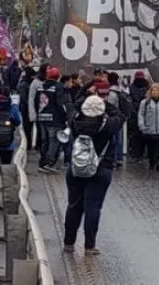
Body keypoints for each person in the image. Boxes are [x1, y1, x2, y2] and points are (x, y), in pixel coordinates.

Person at [62, 92, 126, 255]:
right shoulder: (109, 125)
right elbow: (121, 113)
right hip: (101, 168)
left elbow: (71, 104)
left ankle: (69, 243)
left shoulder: (75, 121)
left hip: (76, 168)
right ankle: (89, 246)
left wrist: (86, 96)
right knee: (93, 207)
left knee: (74, 206)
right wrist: (104, 102)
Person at [35, 67, 71, 173]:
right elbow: (61, 105)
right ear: (58, 76)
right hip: (54, 119)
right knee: (54, 141)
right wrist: (65, 117)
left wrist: (38, 113)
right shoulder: (58, 87)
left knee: (45, 141)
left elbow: (35, 101)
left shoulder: (41, 86)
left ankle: (42, 163)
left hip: (42, 117)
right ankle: (49, 163)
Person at [137, 82, 159, 171]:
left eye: (157, 90)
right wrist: (141, 125)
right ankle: (152, 162)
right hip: (149, 129)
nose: (155, 92)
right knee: (151, 148)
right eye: (153, 90)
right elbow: (141, 114)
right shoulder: (145, 102)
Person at [127, 70, 150, 163]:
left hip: (144, 114)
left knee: (143, 136)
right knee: (135, 136)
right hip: (135, 115)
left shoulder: (147, 88)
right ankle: (135, 154)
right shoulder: (131, 88)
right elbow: (129, 101)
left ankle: (141, 154)